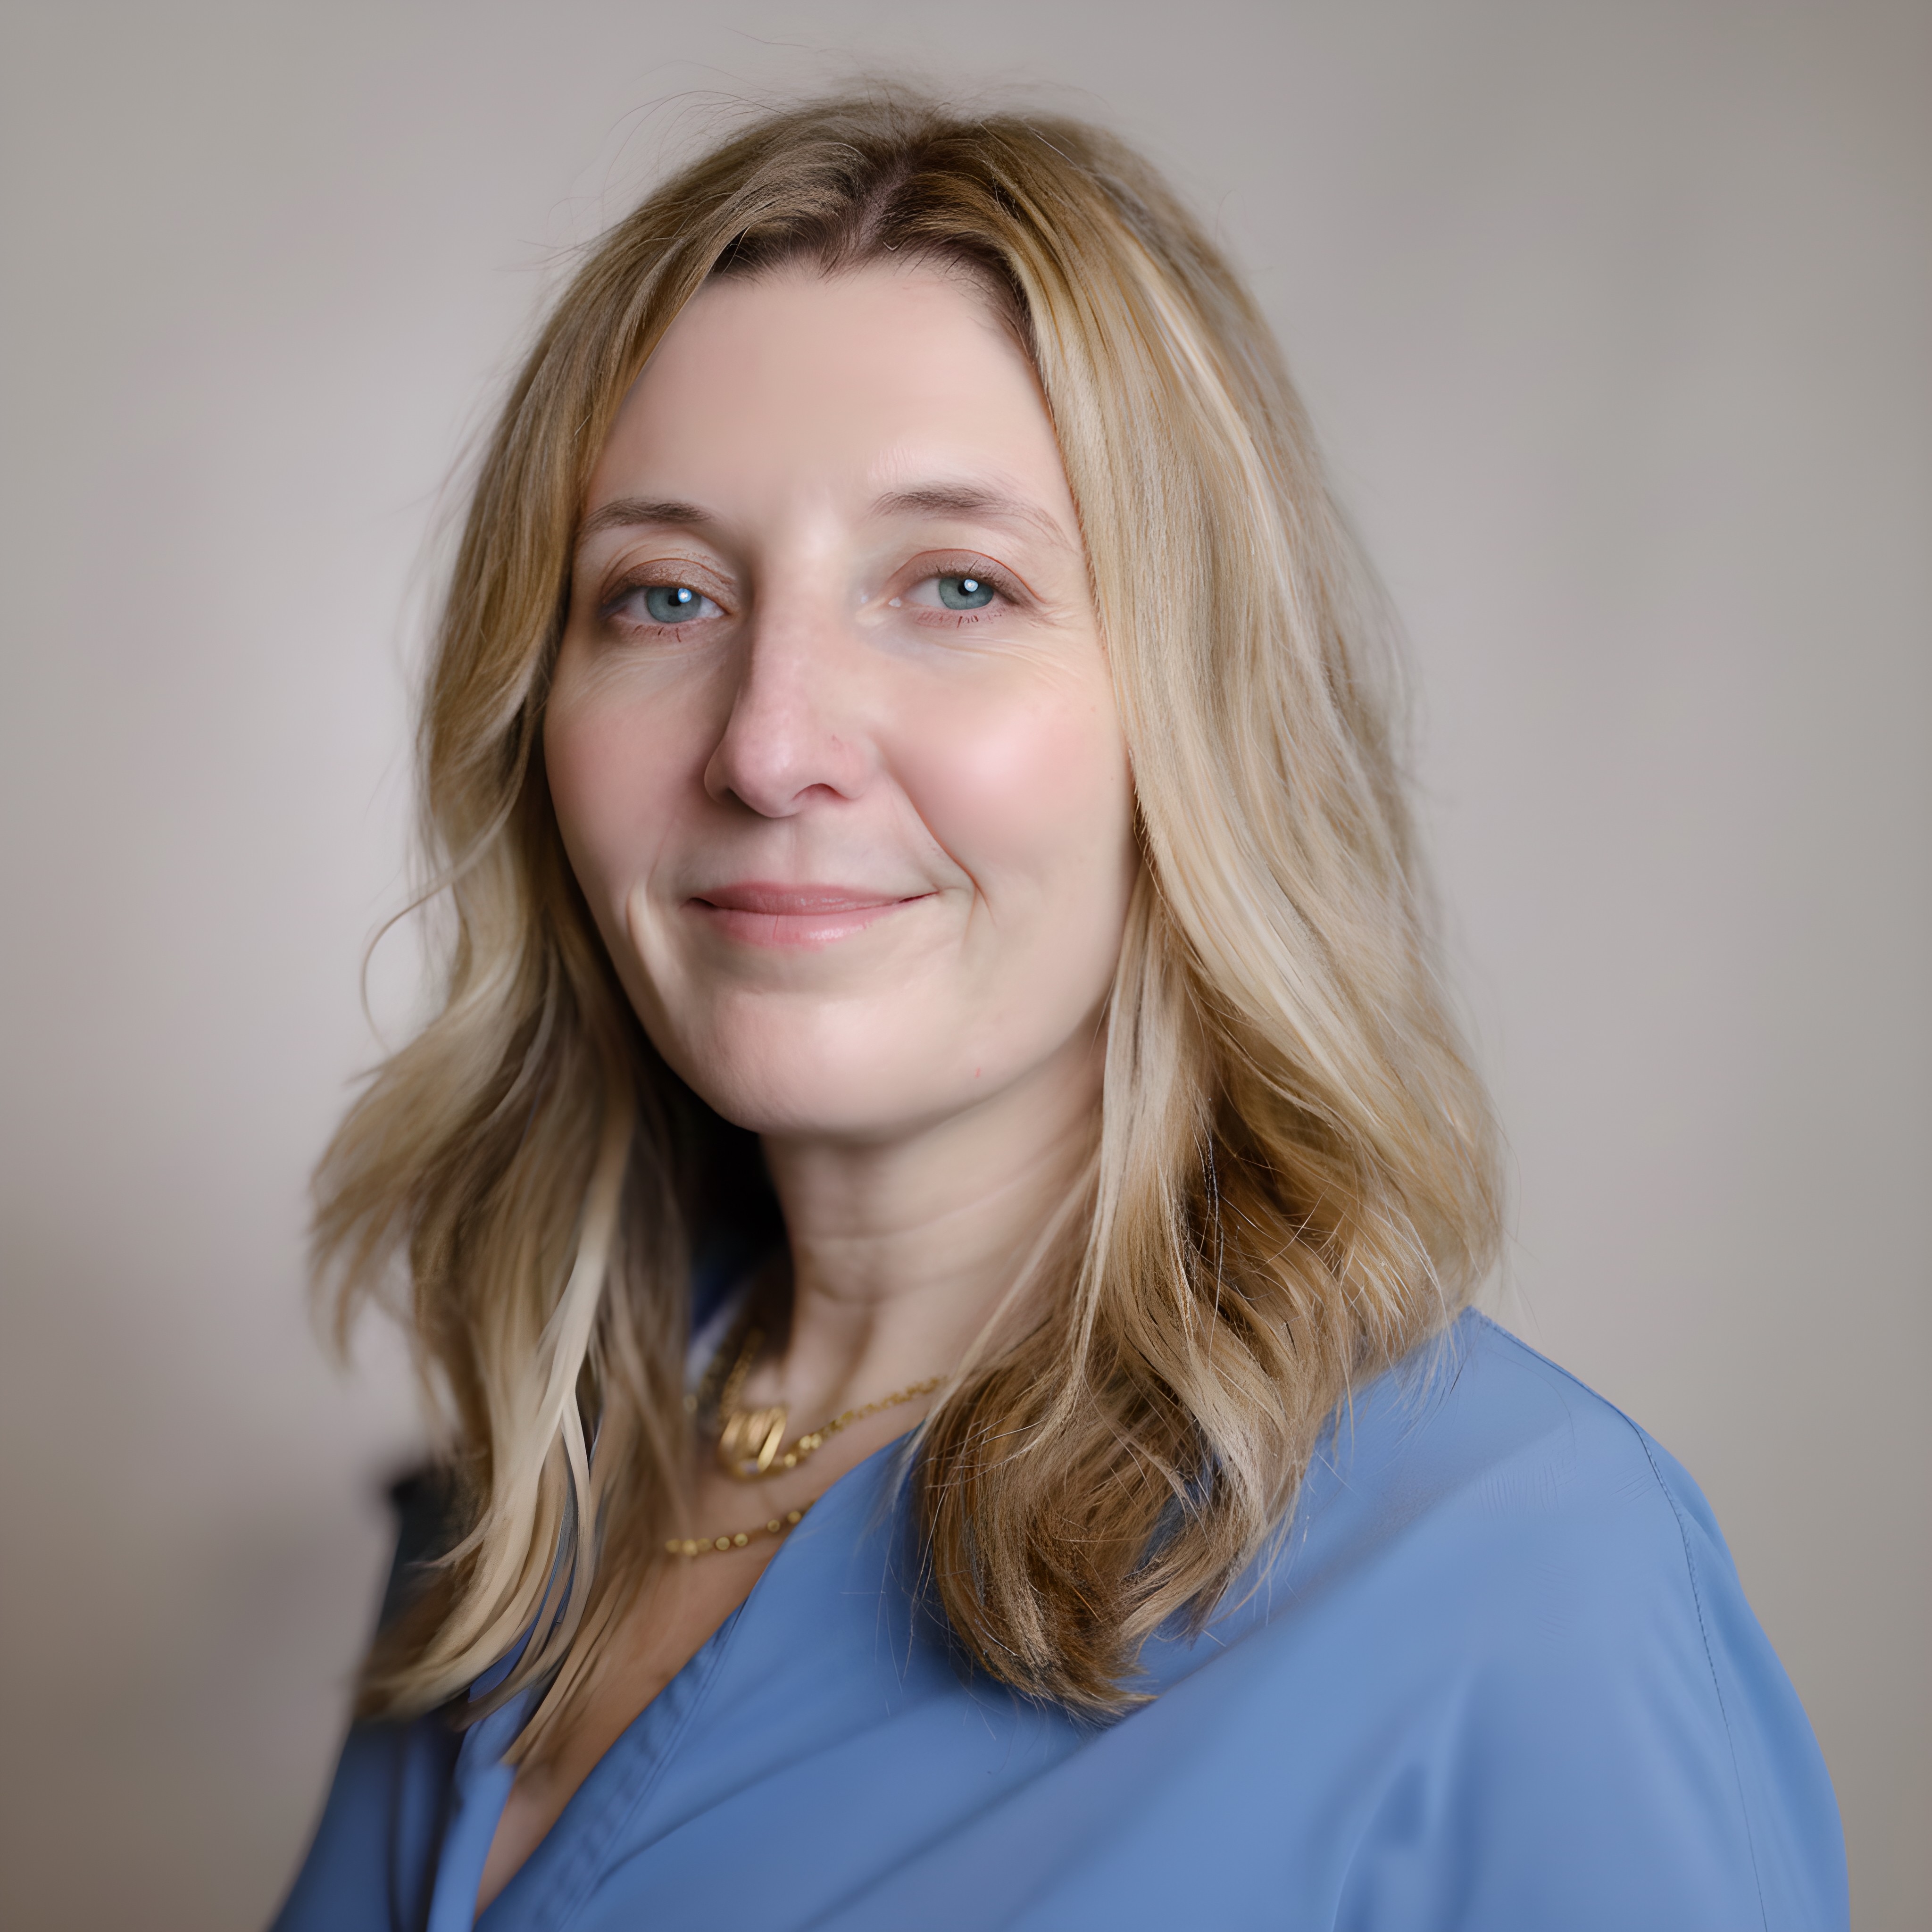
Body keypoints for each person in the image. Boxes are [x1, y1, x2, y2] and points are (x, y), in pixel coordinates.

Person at [272, 91, 1846, 1931]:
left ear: (1197, 717)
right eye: (665, 595)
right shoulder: (513, 1508)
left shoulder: (1521, 1584)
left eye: (956, 586)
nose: (768, 745)